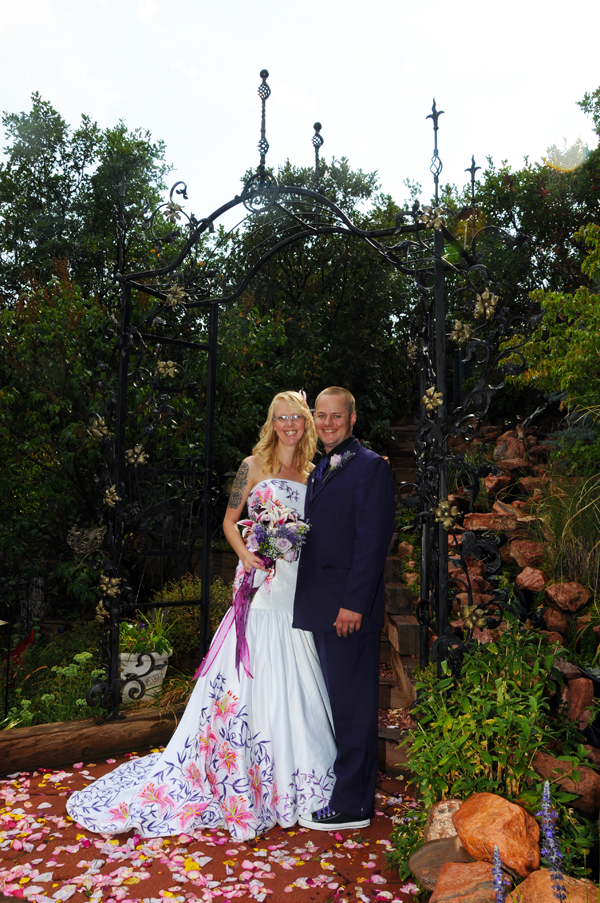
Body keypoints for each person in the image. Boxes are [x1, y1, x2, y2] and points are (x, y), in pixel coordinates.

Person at [67, 391, 336, 841]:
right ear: (271, 423)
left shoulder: (314, 473)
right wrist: (246, 555)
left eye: (296, 417)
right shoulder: (252, 466)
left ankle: (298, 778)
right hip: (262, 583)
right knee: (253, 671)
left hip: (299, 586)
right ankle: (244, 777)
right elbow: (230, 521)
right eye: (281, 417)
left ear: (306, 423)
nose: (289, 424)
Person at [293, 387, 395, 831]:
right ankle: (344, 790)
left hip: (347, 613)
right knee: (337, 706)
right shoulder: (320, 469)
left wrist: (353, 604)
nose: (328, 423)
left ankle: (353, 806)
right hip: (321, 609)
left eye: (336, 416)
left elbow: (373, 543)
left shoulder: (371, 467)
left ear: (353, 419)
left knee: (353, 710)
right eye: (321, 416)